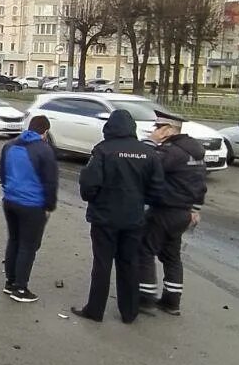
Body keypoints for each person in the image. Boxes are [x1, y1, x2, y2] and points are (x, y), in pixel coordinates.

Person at [73, 110, 164, 324]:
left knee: (102, 264)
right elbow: (157, 188)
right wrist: (141, 203)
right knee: (129, 263)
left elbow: (89, 184)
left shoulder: (103, 151)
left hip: (104, 217)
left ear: (109, 128)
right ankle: (129, 312)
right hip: (134, 218)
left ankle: (95, 310)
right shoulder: (148, 153)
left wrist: (94, 199)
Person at [138, 116, 207, 316]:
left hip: (165, 210)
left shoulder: (171, 151)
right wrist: (195, 209)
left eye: (159, 127)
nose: (156, 129)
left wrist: (150, 142)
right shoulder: (194, 150)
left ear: (169, 129)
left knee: (145, 250)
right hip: (184, 213)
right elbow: (200, 183)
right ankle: (172, 300)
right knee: (171, 256)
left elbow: (146, 164)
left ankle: (146, 297)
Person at [0, 114, 59, 303]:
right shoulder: (44, 150)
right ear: (45, 132)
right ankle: (21, 288)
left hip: (10, 200)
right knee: (28, 245)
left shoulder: (10, 145)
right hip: (32, 204)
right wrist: (49, 206)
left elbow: (2, 173)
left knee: (14, 240)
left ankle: (10, 281)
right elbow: (50, 182)